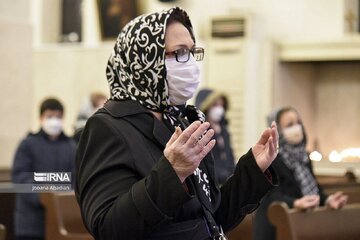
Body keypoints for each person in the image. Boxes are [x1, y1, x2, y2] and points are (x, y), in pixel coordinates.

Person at [76, 7, 279, 240]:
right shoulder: (107, 127)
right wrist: (172, 173)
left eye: (193, 52)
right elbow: (107, 228)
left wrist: (252, 169)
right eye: (180, 52)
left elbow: (213, 219)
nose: (190, 63)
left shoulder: (182, 120)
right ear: (145, 59)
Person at [253, 106, 348, 240]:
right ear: (278, 130)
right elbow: (270, 195)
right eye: (290, 125)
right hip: (273, 227)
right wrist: (295, 203)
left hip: (299, 223)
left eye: (298, 123)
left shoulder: (304, 157)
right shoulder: (271, 157)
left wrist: (328, 200)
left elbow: (313, 189)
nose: (297, 128)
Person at [12, 98, 76, 240]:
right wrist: (43, 196)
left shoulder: (71, 147)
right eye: (50, 116)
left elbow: (75, 177)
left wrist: (64, 198)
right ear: (41, 118)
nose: (54, 121)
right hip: (31, 222)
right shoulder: (27, 144)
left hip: (64, 219)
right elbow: (21, 177)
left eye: (58, 117)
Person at [195, 89, 235, 185]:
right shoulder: (200, 131)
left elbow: (230, 156)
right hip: (209, 183)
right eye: (215, 105)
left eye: (221, 105)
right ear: (206, 107)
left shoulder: (224, 131)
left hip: (226, 182)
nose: (219, 109)